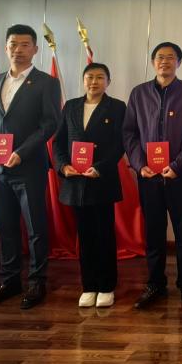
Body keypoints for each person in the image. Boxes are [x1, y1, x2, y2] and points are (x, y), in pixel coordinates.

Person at [0, 24, 61, 310]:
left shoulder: (46, 83)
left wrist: (21, 152)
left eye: (25, 44)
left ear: (35, 49)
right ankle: (9, 280)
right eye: (13, 44)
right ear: (5, 47)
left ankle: (37, 281)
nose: (18, 50)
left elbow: (50, 123)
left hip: (29, 167)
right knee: (5, 227)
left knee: (36, 227)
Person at [123, 41, 182, 309]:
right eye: (159, 57)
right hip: (149, 177)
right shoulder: (139, 93)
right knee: (153, 233)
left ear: (179, 62)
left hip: (181, 177)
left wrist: (177, 165)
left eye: (170, 57)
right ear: (153, 62)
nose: (164, 61)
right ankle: (155, 283)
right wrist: (138, 164)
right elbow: (129, 133)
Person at [54, 63, 127, 308]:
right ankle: (89, 285)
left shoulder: (116, 107)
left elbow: (120, 144)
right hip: (76, 181)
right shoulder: (70, 106)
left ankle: (106, 286)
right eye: (89, 77)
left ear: (108, 81)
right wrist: (63, 166)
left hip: (101, 180)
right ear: (83, 80)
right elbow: (59, 142)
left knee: (104, 235)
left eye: (99, 77)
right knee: (85, 237)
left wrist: (100, 167)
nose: (94, 82)